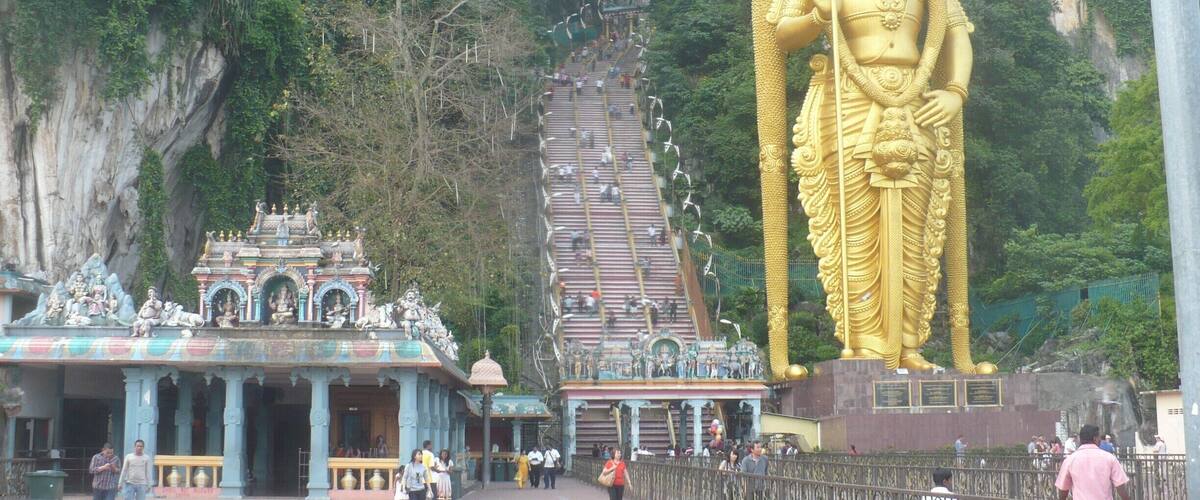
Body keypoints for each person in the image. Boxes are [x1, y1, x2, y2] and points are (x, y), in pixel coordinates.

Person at [1055, 424, 1130, 500]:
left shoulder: (1070, 460)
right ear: (1095, 439)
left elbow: (1063, 489)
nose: (1100, 440)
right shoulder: (1109, 458)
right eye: (1099, 437)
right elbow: (1120, 486)